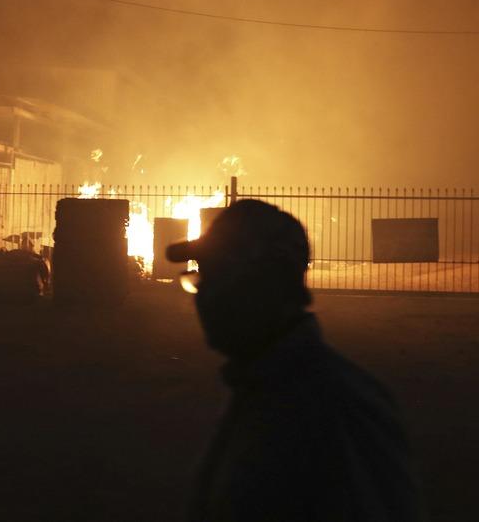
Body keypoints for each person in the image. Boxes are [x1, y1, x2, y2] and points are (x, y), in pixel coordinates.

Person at [166, 199, 424, 522]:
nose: (204, 295)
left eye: (220, 276)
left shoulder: (338, 410)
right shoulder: (261, 387)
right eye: (200, 278)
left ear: (269, 281)